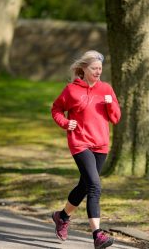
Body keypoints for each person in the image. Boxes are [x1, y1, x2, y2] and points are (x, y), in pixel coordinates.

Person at [51, 50, 121, 249]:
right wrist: (65, 122)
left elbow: (115, 118)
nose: (98, 72)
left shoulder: (106, 89)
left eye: (100, 68)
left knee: (85, 185)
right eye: (94, 68)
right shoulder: (71, 90)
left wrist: (110, 105)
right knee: (95, 186)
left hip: (101, 144)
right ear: (84, 69)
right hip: (80, 142)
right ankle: (97, 235)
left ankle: (62, 216)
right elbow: (56, 108)